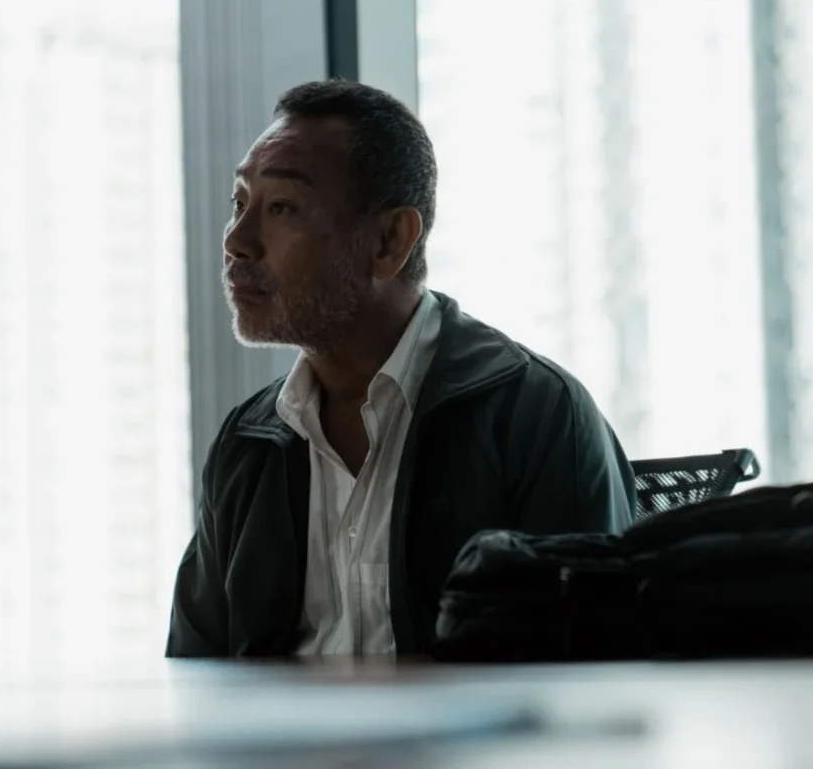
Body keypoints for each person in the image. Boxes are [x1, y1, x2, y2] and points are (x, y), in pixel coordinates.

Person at [166, 79, 636, 658]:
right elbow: (196, 671)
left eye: (282, 207)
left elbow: (593, 671)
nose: (237, 241)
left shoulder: (536, 416)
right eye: (240, 204)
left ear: (389, 241)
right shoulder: (246, 446)